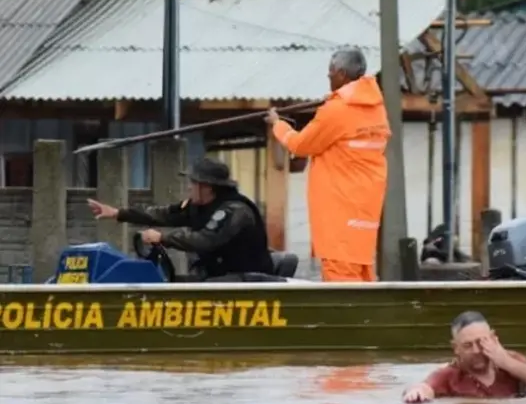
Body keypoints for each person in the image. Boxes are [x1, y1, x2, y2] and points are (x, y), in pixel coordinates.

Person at [266, 47, 390, 283]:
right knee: (363, 276)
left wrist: (277, 125)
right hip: (364, 212)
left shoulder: (337, 110)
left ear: (341, 74)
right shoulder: (376, 109)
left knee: (342, 286)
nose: (328, 77)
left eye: (330, 72)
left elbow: (301, 145)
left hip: (339, 213)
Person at [86, 157, 275, 280]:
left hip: (247, 279)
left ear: (207, 187)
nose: (188, 188)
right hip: (218, 274)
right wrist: (119, 213)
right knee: (174, 283)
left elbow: (205, 240)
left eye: (193, 183)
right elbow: (164, 214)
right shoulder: (198, 206)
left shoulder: (235, 210)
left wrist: (162, 238)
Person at [402, 311, 526, 403]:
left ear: (494, 338)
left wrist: (507, 363)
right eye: (468, 345)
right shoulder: (450, 376)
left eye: (481, 342)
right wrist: (416, 392)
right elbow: (424, 387)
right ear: (455, 348)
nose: (476, 350)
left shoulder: (512, 363)